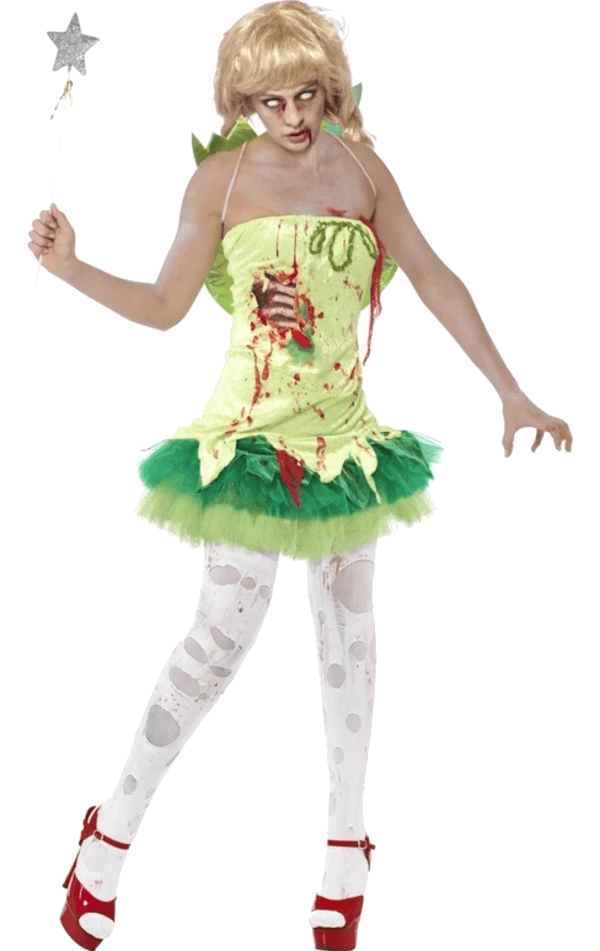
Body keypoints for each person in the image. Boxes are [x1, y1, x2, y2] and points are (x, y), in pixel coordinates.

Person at [29, 5, 572, 950]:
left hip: (344, 449)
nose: (290, 116)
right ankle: (109, 833)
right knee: (216, 645)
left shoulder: (362, 168)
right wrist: (71, 268)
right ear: (244, 99)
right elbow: (164, 307)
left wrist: (511, 391)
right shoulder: (223, 178)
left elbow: (432, 276)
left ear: (331, 89)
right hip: (251, 445)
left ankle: (346, 856)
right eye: (270, 100)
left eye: (306, 96)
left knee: (350, 653)